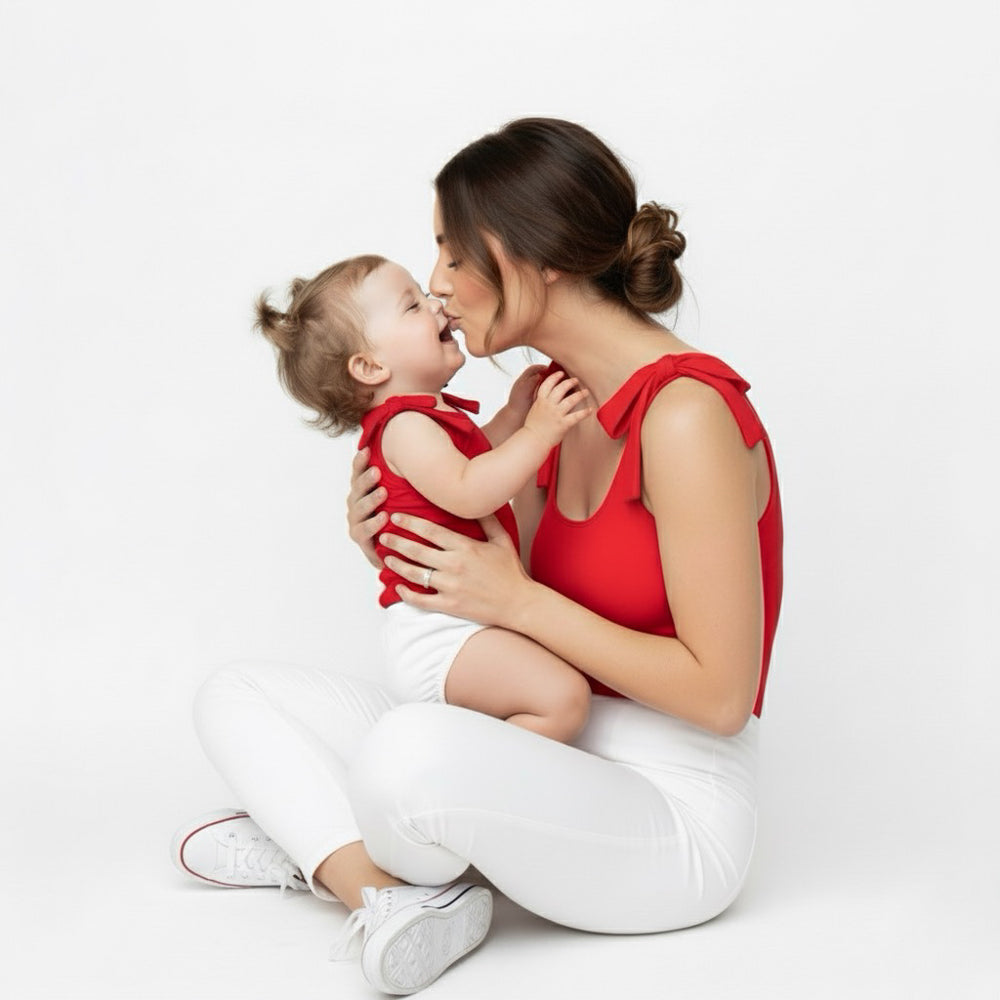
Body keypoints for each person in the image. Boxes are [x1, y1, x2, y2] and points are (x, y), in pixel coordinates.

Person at [172, 117, 783, 997]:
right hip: (552, 738)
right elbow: (500, 585)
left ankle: (330, 838)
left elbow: (722, 698)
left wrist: (517, 603)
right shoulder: (550, 408)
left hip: (674, 813)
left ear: (538, 261)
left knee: (404, 756)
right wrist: (399, 539)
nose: (437, 284)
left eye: (454, 255)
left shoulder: (686, 415)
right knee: (237, 696)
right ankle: (378, 891)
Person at [252, 254, 593, 742]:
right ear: (370, 366)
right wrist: (539, 433)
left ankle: (460, 772)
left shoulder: (423, 420)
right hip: (442, 636)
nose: (436, 304)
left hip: (462, 622)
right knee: (562, 700)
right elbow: (472, 490)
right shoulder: (405, 427)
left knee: (558, 694)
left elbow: (479, 461)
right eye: (412, 305)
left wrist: (516, 415)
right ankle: (472, 791)